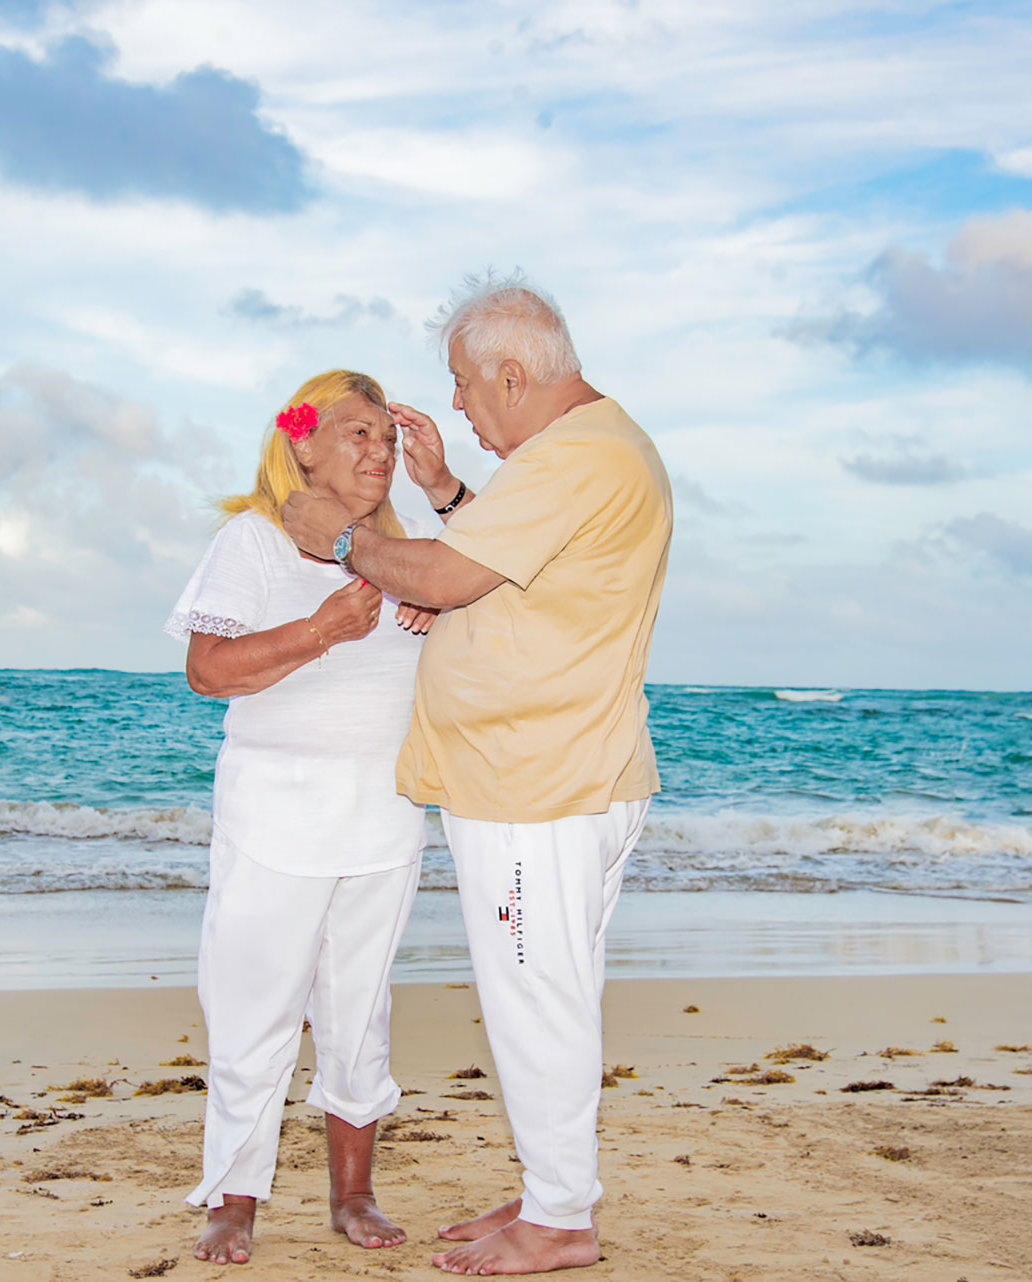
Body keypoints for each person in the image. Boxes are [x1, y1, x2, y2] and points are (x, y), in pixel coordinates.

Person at [282, 275, 673, 1275]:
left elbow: (450, 577)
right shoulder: (583, 453)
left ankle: (560, 1220)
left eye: (463, 382)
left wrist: (339, 535)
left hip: (539, 782)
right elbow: (515, 564)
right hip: (562, 771)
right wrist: (448, 496)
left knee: (536, 997)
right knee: (556, 994)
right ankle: (557, 1189)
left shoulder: (577, 458)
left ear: (511, 372)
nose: (455, 402)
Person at [166, 369, 439, 1266]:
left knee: (359, 1015)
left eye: (387, 439)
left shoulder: (402, 555)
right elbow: (210, 670)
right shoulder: (252, 540)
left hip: (383, 820)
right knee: (255, 1010)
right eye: (357, 432)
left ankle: (353, 1195)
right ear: (303, 444)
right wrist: (321, 629)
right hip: (274, 816)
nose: (378, 451)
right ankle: (233, 1196)